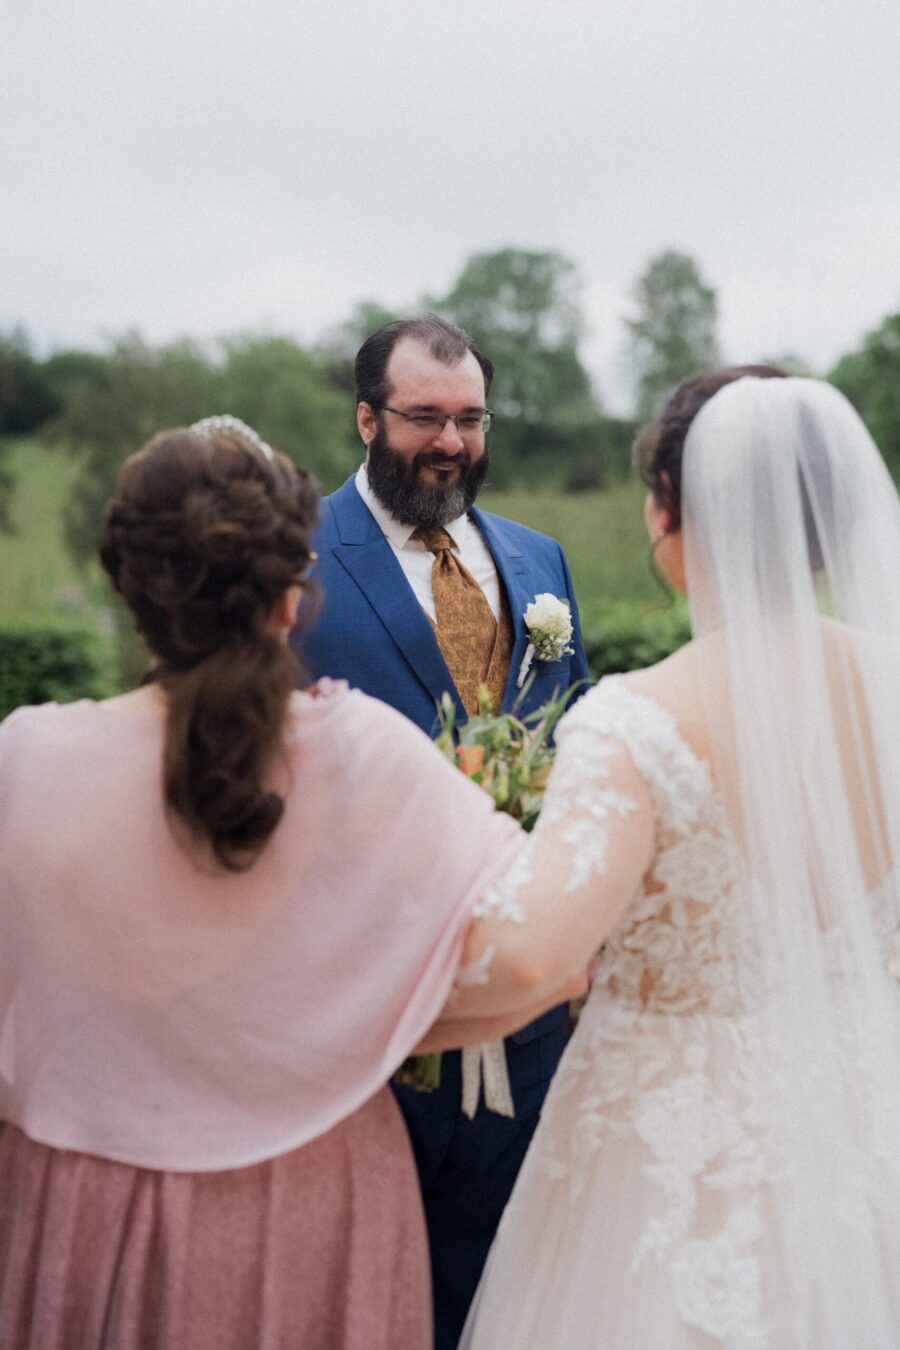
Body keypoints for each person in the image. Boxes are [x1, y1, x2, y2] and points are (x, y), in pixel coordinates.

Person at [0, 416, 575, 1350]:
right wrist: (371, 1019)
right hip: (315, 1204)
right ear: (290, 600)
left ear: (128, 587)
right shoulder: (362, 754)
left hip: (80, 1203)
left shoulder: (25, 757)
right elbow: (548, 957)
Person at [428, 369, 900, 1349]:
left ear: (674, 516)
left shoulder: (636, 720)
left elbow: (529, 957)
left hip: (668, 1165)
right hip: (866, 1119)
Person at [298, 313, 591, 1349]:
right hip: (366, 1019)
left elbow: (577, 757)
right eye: (426, 417)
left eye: (470, 419)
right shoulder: (293, 563)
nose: (452, 443)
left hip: (532, 1013)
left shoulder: (538, 557)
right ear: (367, 418)